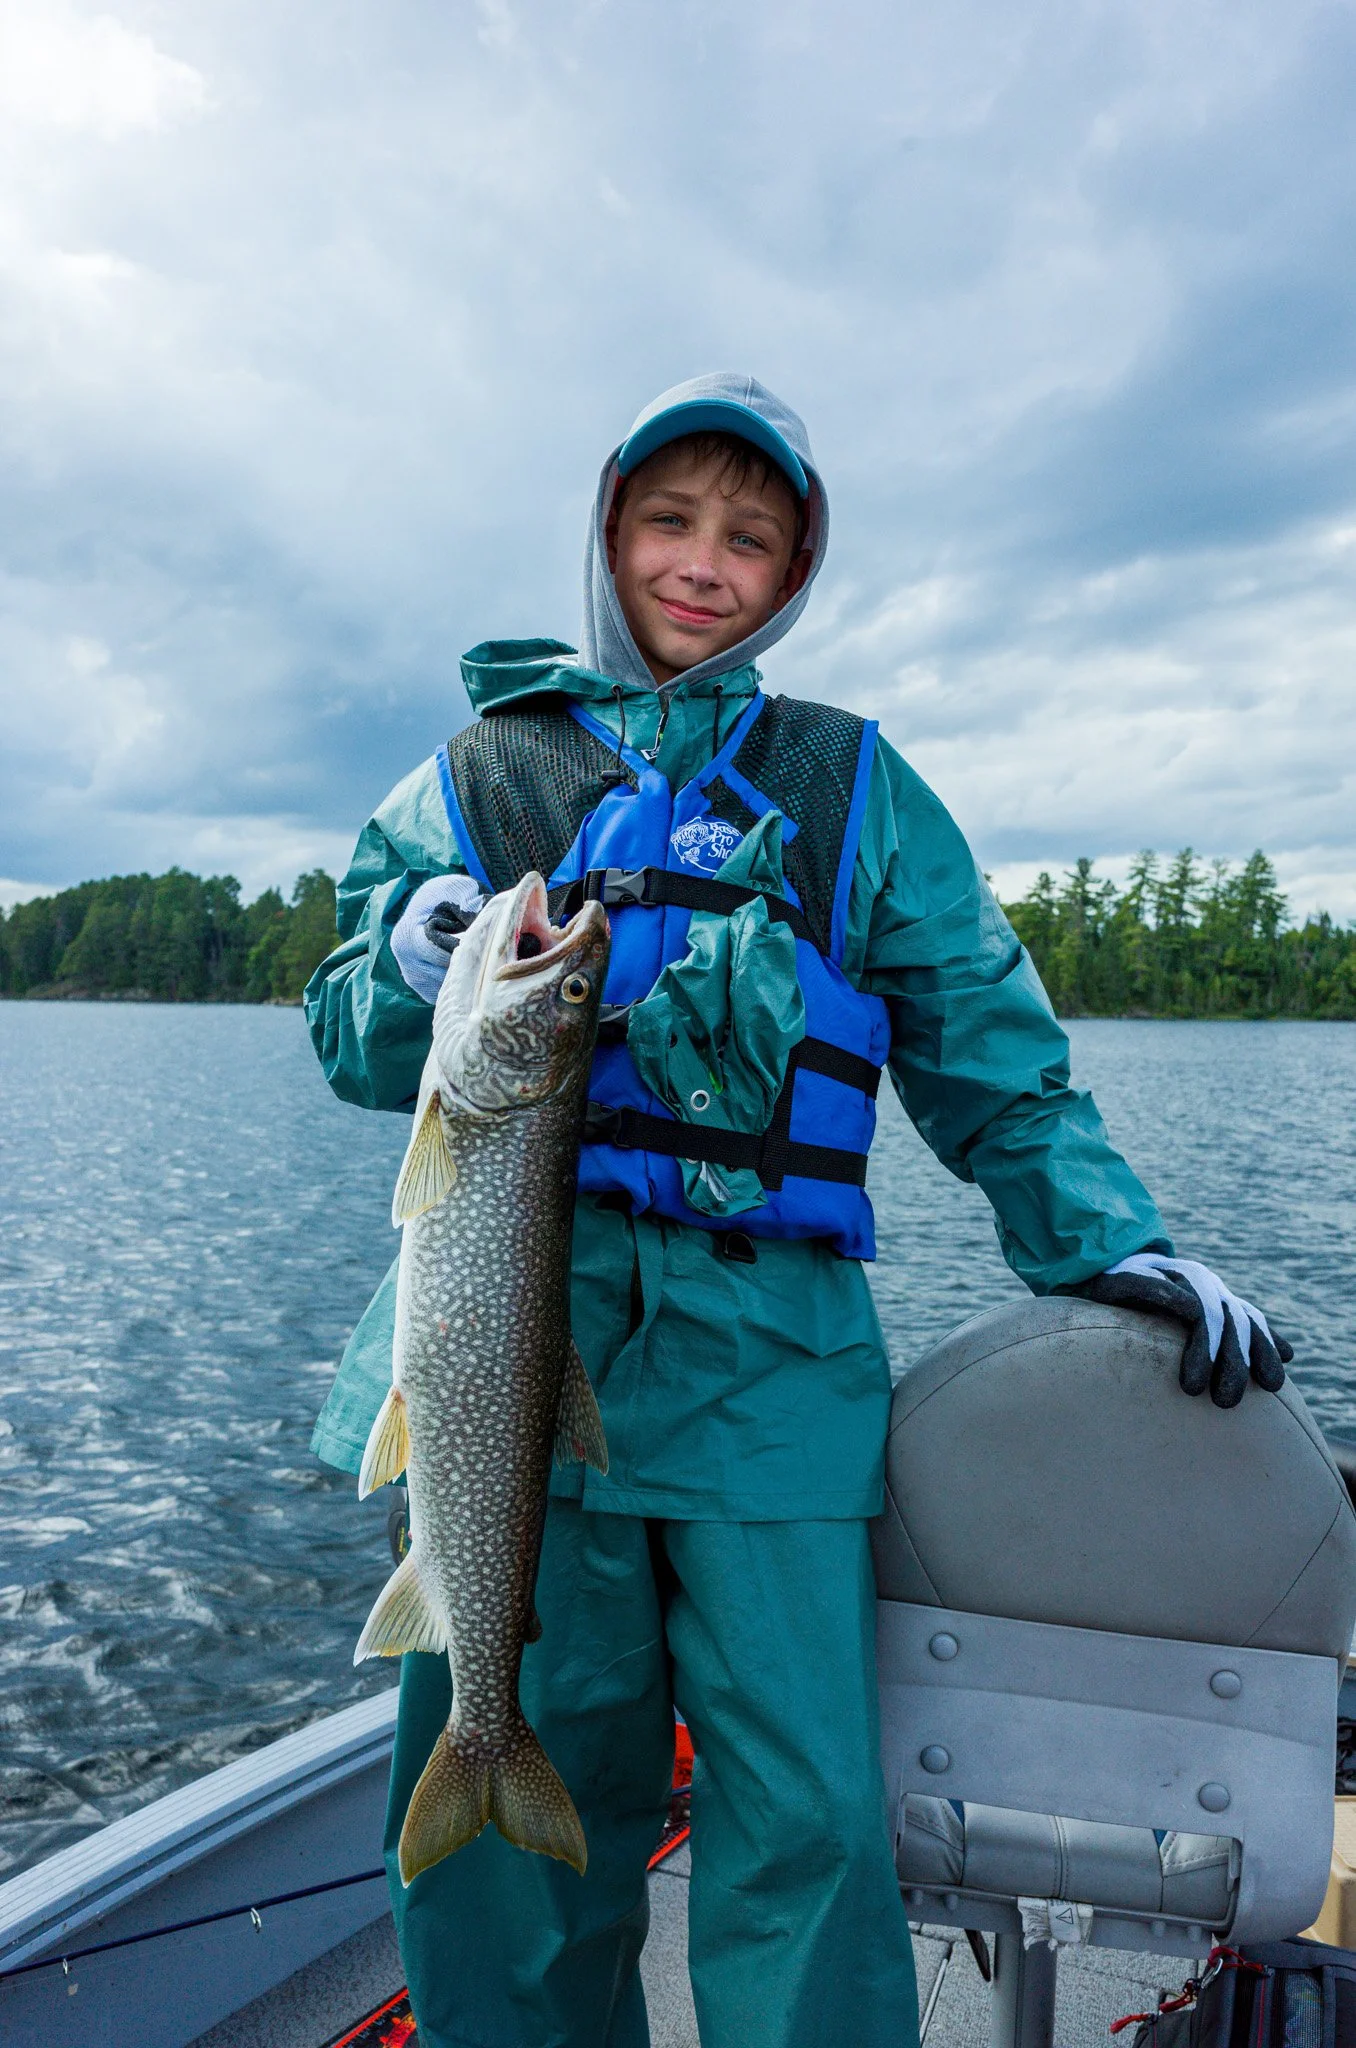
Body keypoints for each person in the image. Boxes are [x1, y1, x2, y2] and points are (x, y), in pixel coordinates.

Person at [304, 372, 1291, 2048]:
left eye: (750, 538)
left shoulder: (855, 788)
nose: (704, 563)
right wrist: (409, 956)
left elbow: (985, 1039)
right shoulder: (473, 774)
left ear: (796, 569)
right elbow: (346, 1031)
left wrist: (1106, 1238)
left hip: (775, 1367)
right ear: (608, 531)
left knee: (811, 1817)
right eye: (672, 522)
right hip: (516, 1366)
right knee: (525, 1832)